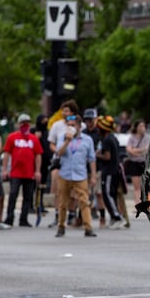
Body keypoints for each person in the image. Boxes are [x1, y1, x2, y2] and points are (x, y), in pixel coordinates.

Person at [53, 113, 97, 238]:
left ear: (79, 126)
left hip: (80, 175)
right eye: (69, 125)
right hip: (65, 174)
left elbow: (92, 159)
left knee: (84, 201)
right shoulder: (62, 137)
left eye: (73, 125)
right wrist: (68, 140)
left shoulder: (87, 140)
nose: (70, 127)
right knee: (63, 202)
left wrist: (93, 176)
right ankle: (61, 226)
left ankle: (88, 227)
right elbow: (59, 153)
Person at [1, 113, 43, 227]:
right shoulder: (12, 137)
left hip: (29, 173)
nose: (25, 125)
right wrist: (4, 169)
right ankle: (9, 218)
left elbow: (38, 155)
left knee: (28, 196)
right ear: (19, 124)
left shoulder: (33, 139)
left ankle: (23, 219)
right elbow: (7, 154)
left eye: (27, 123)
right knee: (13, 194)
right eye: (23, 123)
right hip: (15, 172)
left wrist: (37, 171)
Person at [47, 99, 80, 227]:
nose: (64, 113)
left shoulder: (78, 125)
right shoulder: (57, 125)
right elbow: (51, 143)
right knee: (58, 190)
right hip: (59, 160)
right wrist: (58, 151)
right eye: (63, 111)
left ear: (72, 112)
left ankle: (72, 215)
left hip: (74, 161)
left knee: (72, 191)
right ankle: (57, 216)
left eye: (67, 111)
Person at [95, 115, 126, 229]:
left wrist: (98, 155)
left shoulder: (107, 139)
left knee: (107, 195)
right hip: (114, 170)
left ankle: (117, 217)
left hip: (109, 171)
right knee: (111, 194)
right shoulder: (113, 137)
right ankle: (114, 217)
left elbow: (107, 156)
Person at [81, 108, 104, 227]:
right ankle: (83, 217)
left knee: (98, 193)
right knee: (84, 194)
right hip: (84, 168)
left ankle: (102, 217)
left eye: (91, 120)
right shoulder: (83, 133)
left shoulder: (100, 133)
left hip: (97, 167)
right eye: (87, 120)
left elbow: (102, 149)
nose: (89, 122)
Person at [124, 119, 149, 207]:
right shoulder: (132, 137)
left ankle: (146, 203)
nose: (142, 128)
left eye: (143, 126)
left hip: (143, 163)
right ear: (136, 127)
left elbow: (146, 150)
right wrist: (138, 151)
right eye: (140, 126)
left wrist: (135, 150)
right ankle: (138, 204)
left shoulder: (147, 137)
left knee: (146, 185)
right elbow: (129, 149)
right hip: (134, 163)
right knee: (136, 187)